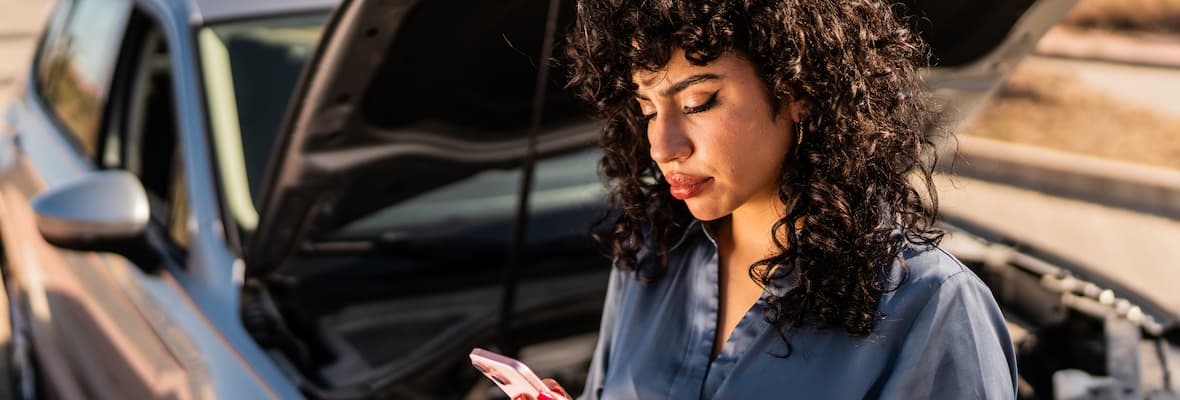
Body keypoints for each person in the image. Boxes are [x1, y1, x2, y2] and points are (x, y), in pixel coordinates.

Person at [544, 0, 1018, 398]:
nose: (663, 147)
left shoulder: (933, 307)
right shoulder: (651, 252)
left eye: (698, 103)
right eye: (648, 107)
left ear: (799, 89)